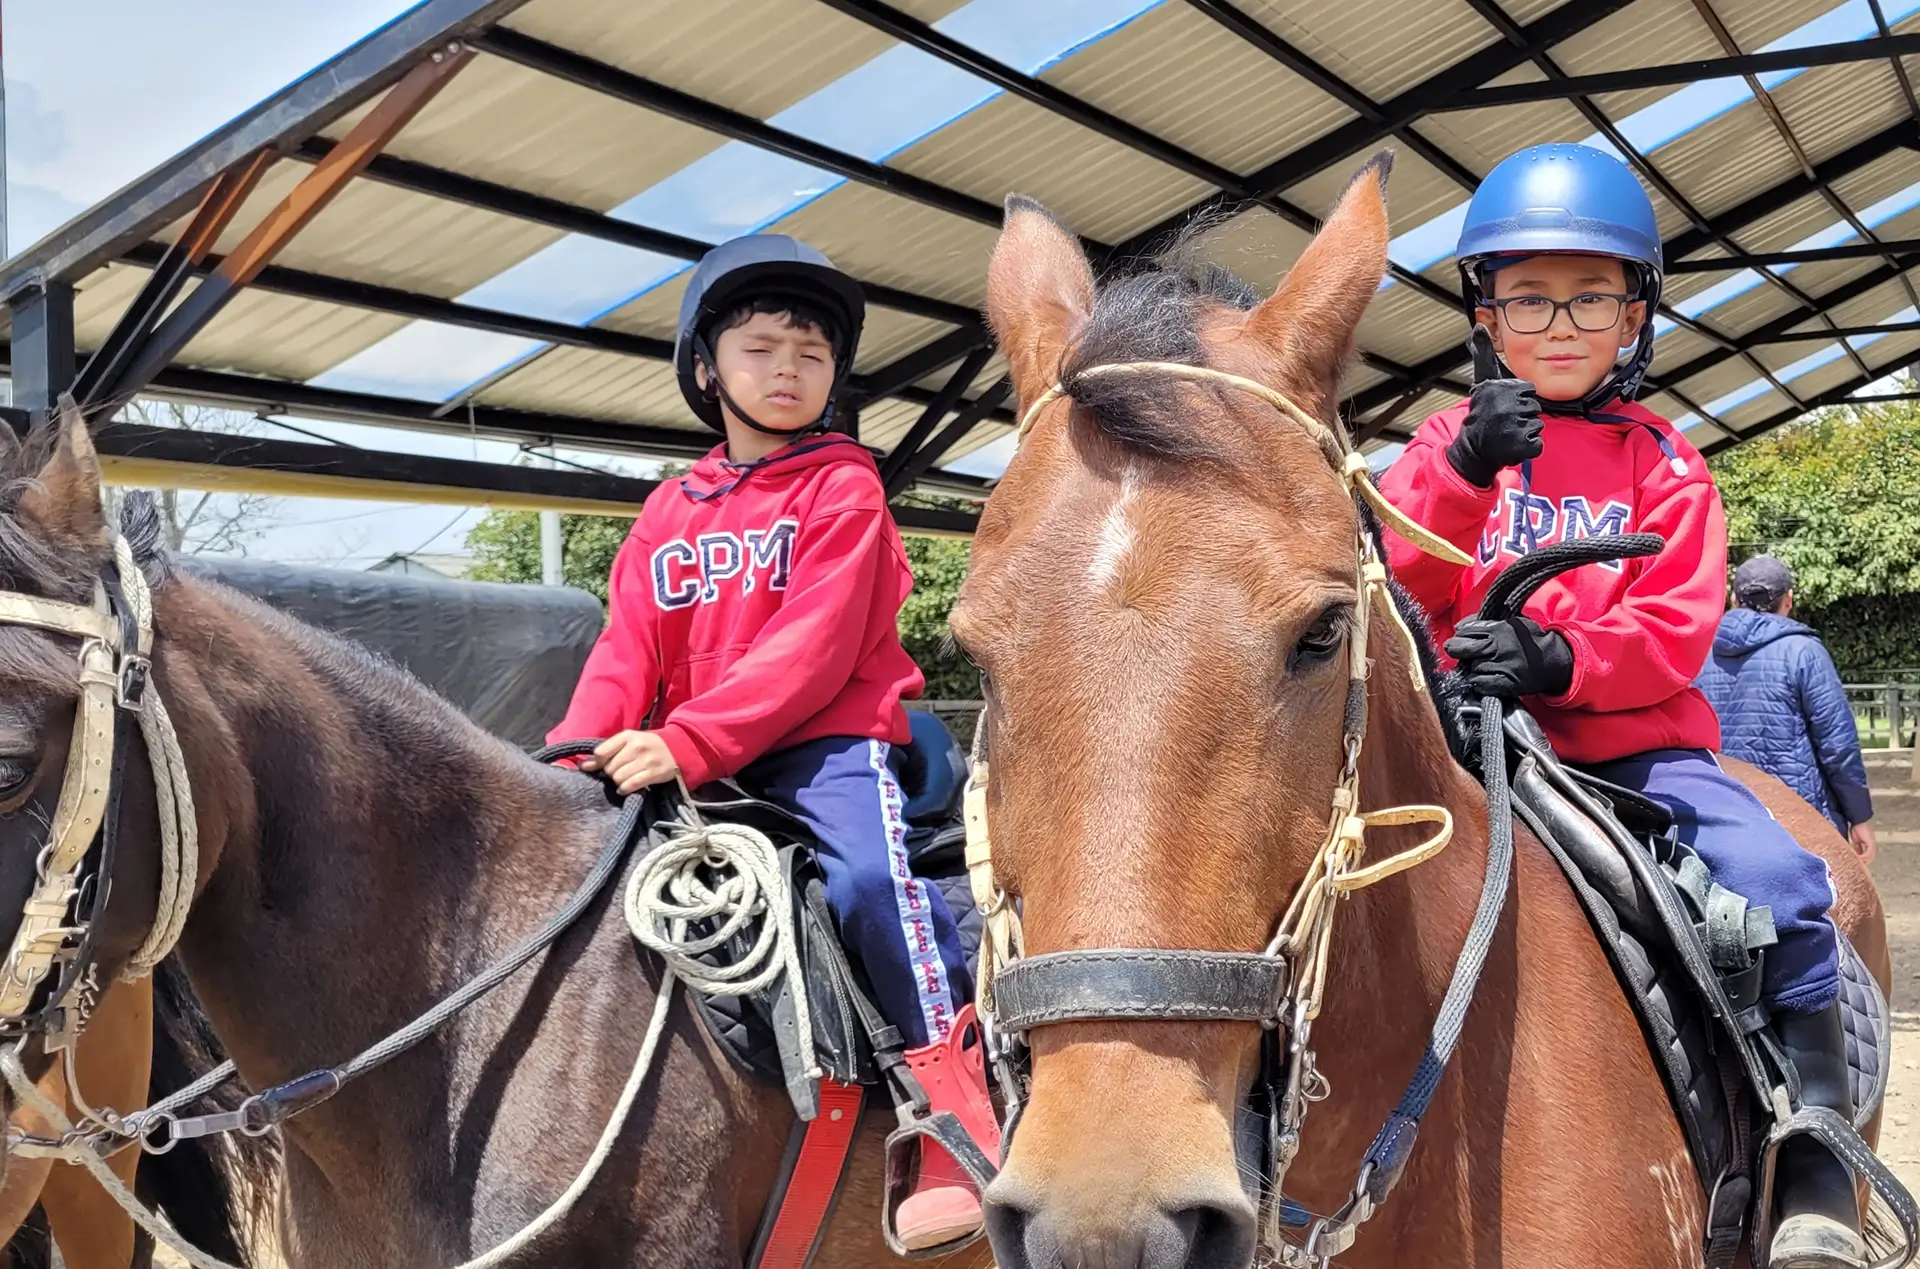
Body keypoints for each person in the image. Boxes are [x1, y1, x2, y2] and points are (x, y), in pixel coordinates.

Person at [1379, 143, 1868, 1268]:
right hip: (1459, 750)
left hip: (1627, 753)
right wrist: (1460, 468)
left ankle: (1816, 1155)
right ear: (1485, 313)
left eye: (1590, 296)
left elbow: (1674, 628)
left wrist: (1558, 658)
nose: (1559, 323)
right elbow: (1390, 577)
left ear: (1637, 314)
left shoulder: (1667, 464)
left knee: (1784, 884)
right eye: (1529, 298)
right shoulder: (1440, 450)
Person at [547, 234, 997, 1250]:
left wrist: (688, 741)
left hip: (822, 747)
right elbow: (627, 645)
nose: (787, 371)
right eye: (760, 350)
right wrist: (582, 748)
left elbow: (813, 651)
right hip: (690, 753)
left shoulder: (845, 489)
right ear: (707, 368)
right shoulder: (669, 510)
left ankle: (951, 1115)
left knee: (870, 890)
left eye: (810, 354)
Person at [1698, 555, 1878, 862]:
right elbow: (1838, 745)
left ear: (1733, 599)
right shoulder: (1804, 651)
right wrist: (1858, 816)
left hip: (1718, 814)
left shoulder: (1698, 651)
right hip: (1799, 817)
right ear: (1789, 600)